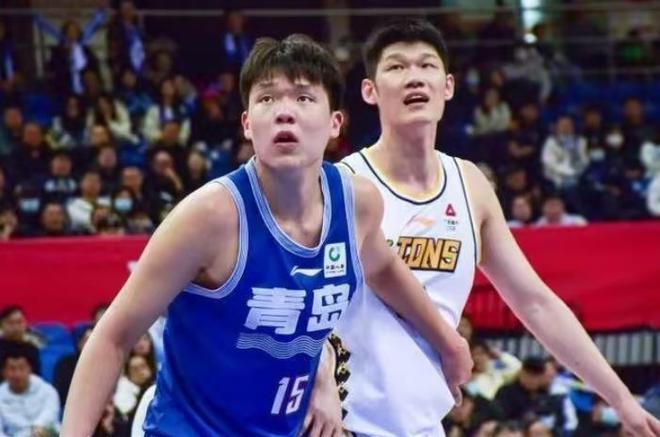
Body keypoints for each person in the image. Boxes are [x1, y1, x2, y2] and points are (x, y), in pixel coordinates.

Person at [61, 34, 472, 436]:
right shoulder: (208, 218)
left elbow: (383, 269)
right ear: (247, 123)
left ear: (335, 123)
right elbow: (112, 338)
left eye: (304, 97)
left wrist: (447, 343)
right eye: (267, 98)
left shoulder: (356, 204)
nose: (284, 112)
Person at [311, 19, 660, 437]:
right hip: (343, 422)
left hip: (422, 424)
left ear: (448, 86)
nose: (414, 77)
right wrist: (319, 378)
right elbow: (302, 300)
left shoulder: (470, 185)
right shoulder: (343, 183)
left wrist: (621, 400)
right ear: (370, 91)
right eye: (397, 67)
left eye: (426, 65)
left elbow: (535, 302)